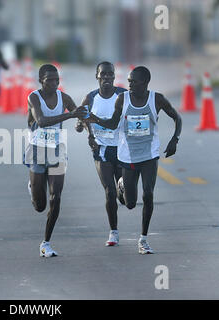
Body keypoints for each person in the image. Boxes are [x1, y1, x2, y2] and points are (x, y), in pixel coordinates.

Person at [84, 66, 182, 254]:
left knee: (148, 194)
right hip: (128, 156)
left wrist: (174, 140)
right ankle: (122, 185)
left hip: (149, 155)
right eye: (128, 81)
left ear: (145, 83)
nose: (129, 85)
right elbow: (113, 123)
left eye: (133, 82)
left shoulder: (157, 99)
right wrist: (93, 119)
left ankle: (143, 239)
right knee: (129, 204)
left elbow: (177, 118)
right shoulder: (123, 99)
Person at [25, 64, 86, 257]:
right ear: (40, 81)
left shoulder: (64, 97)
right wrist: (71, 115)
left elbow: (80, 115)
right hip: (37, 151)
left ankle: (46, 243)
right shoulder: (34, 97)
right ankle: (33, 186)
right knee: (39, 206)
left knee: (56, 197)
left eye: (56, 79)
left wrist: (83, 125)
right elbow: (41, 121)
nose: (54, 83)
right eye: (49, 80)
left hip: (57, 151)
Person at [75, 62, 127, 247]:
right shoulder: (90, 98)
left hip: (122, 149)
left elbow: (135, 112)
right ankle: (113, 232)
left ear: (114, 76)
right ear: (97, 76)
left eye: (110, 74)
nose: (107, 78)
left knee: (126, 199)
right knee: (109, 191)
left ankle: (125, 192)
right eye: (103, 74)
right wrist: (84, 129)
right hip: (101, 149)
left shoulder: (123, 95)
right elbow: (81, 118)